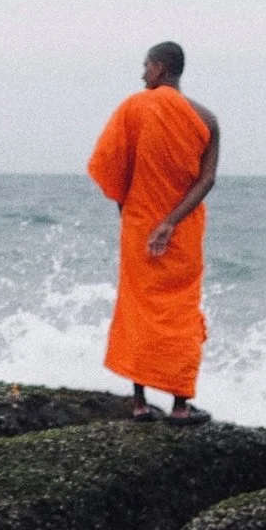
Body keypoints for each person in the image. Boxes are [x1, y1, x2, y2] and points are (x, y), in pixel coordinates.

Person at [86, 41, 220, 423]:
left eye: (146, 66)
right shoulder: (207, 118)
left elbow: (113, 167)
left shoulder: (135, 107)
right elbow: (207, 180)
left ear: (161, 69)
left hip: (140, 226)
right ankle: (179, 406)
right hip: (183, 230)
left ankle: (140, 403)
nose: (142, 73)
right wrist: (171, 223)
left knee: (138, 308)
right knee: (181, 312)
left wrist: (132, 216)